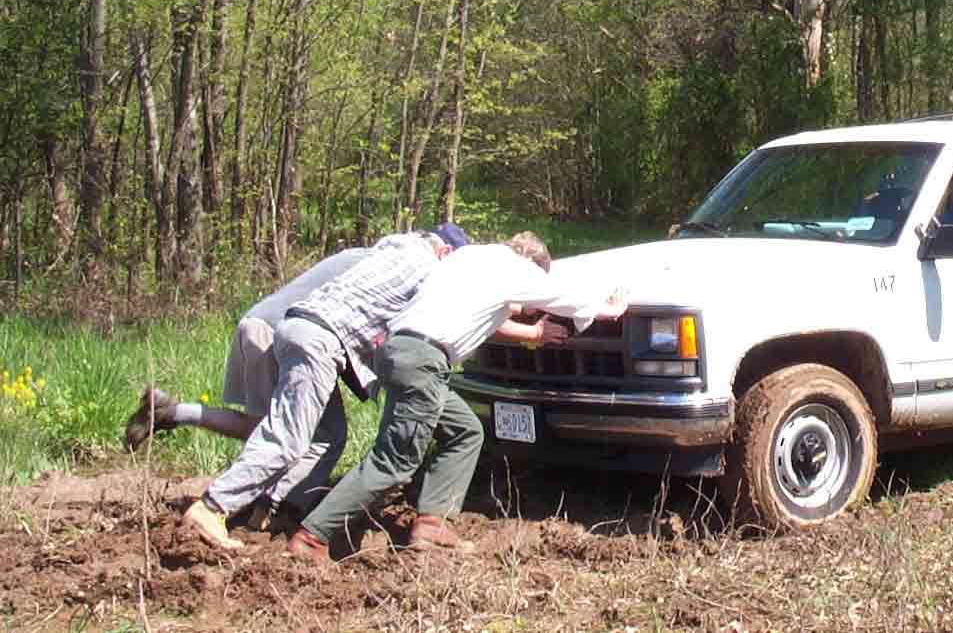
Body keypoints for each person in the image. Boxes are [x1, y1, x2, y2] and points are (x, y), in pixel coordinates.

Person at [285, 231, 629, 560]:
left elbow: (486, 318)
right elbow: (562, 295)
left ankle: (433, 523)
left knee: (465, 431)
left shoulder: (468, 260)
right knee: (395, 461)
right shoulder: (517, 268)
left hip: (401, 351)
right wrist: (607, 309)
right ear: (532, 264)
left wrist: (533, 330)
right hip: (424, 362)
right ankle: (313, 535)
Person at [182, 224, 468, 550]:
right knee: (288, 436)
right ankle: (213, 507)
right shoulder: (428, 270)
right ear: (444, 252)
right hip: (319, 340)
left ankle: (275, 509)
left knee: (329, 434)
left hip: (298, 325)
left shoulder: (389, 251)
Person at [124, 247, 370, 527]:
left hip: (259, 324)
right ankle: (274, 508)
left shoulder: (360, 255)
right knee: (322, 434)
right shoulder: (384, 269)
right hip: (282, 332)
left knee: (262, 427)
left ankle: (173, 412)